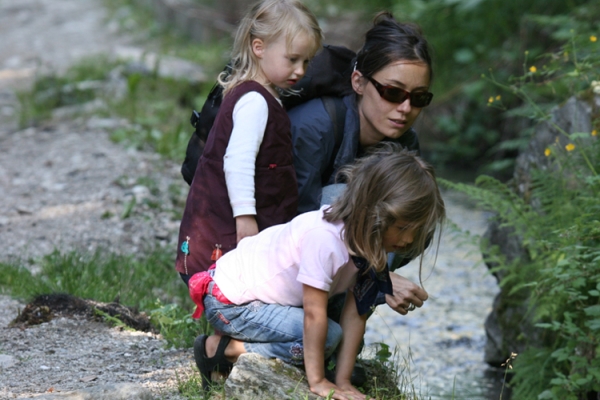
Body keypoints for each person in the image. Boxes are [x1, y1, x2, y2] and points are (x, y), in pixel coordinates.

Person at [188, 144, 446, 398]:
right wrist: (319, 381)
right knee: (325, 338)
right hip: (229, 301)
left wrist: (343, 382)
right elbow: (313, 315)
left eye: (417, 230)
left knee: (329, 336)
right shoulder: (325, 239)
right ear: (374, 213)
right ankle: (222, 350)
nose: (410, 240)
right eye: (402, 228)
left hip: (262, 301)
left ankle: (234, 350)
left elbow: (356, 314)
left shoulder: (372, 243)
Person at [289, 12, 435, 322]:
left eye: (419, 98)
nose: (406, 108)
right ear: (358, 82)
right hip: (260, 255)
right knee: (341, 195)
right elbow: (291, 221)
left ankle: (345, 325)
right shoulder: (314, 126)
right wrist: (379, 278)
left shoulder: (404, 145)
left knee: (417, 210)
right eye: (393, 93)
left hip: (329, 262)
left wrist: (375, 271)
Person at [175, 0, 323, 285]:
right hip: (227, 234)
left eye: (306, 61)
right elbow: (237, 161)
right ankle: (222, 329)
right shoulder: (255, 101)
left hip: (233, 234)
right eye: (292, 59)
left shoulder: (259, 94)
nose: (301, 70)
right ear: (259, 47)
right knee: (236, 293)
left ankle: (219, 330)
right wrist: (245, 216)